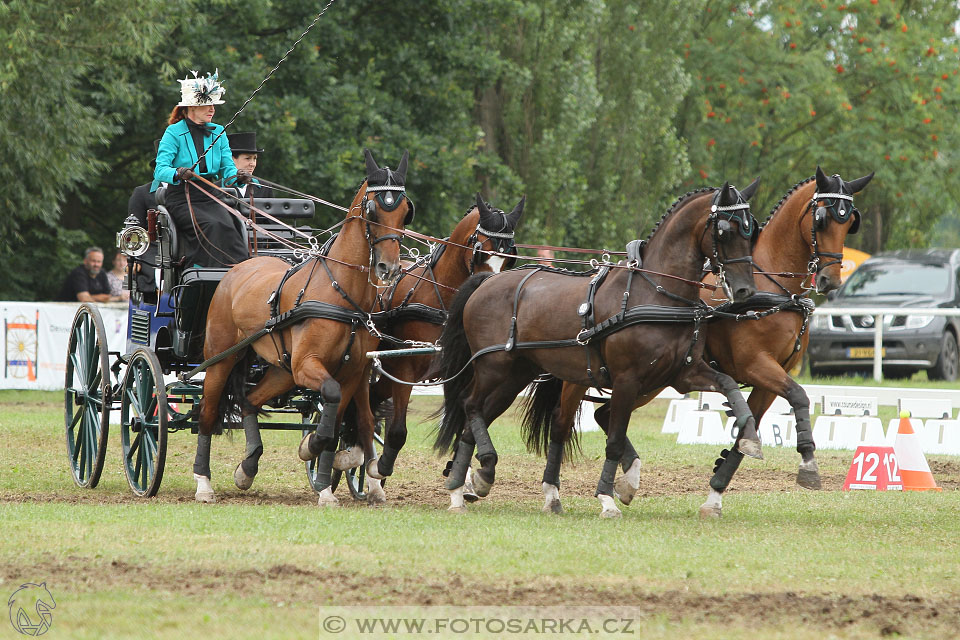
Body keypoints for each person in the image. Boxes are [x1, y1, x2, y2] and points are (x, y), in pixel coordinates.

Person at [151, 70, 250, 268]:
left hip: (209, 195)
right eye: (207, 104)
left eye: (213, 104)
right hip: (181, 197)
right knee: (211, 226)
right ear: (192, 107)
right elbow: (160, 170)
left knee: (230, 227)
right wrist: (177, 173)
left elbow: (227, 170)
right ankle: (206, 275)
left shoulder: (219, 131)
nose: (212, 109)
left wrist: (238, 177)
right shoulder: (174, 132)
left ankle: (239, 273)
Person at [57, 247, 121, 302]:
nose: (96, 264)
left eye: (99, 262)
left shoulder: (102, 273)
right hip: (66, 310)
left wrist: (89, 297)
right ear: (85, 261)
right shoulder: (79, 273)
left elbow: (107, 297)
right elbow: (84, 299)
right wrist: (99, 298)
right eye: (93, 261)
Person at [226, 132, 273, 198]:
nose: (253, 164)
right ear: (232, 159)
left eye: (255, 158)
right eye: (248, 158)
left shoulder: (265, 188)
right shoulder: (216, 189)